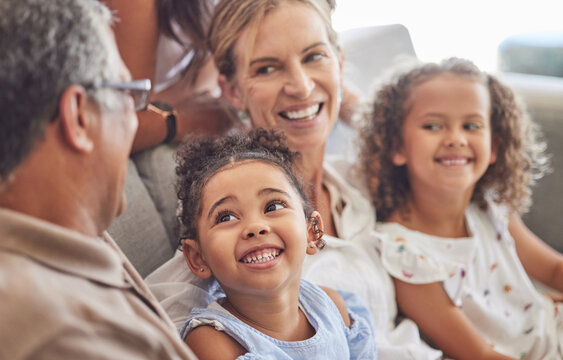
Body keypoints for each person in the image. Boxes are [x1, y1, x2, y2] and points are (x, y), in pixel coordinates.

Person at [146, 0, 442, 358]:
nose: (301, 87)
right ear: (232, 90)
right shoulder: (229, 239)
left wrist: (353, 109)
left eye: (314, 56)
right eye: (267, 68)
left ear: (340, 62)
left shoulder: (360, 181)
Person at [0, 0, 196, 358]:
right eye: (127, 94)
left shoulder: (67, 227)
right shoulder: (64, 338)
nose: (136, 120)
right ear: (78, 116)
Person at [359, 57, 563, 359]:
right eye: (433, 125)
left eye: (471, 125)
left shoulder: (491, 210)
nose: (455, 139)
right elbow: (481, 355)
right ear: (397, 146)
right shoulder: (404, 256)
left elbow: (554, 269)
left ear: (494, 146)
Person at [175, 129, 377, 359]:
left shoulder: (334, 306)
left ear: (312, 232)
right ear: (197, 257)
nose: (255, 227)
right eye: (226, 217)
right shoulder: (213, 340)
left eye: (273, 207)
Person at [101, 0, 239, 152]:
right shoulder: (135, 5)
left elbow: (201, 90)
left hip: (156, 116)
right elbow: (119, 126)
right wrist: (176, 122)